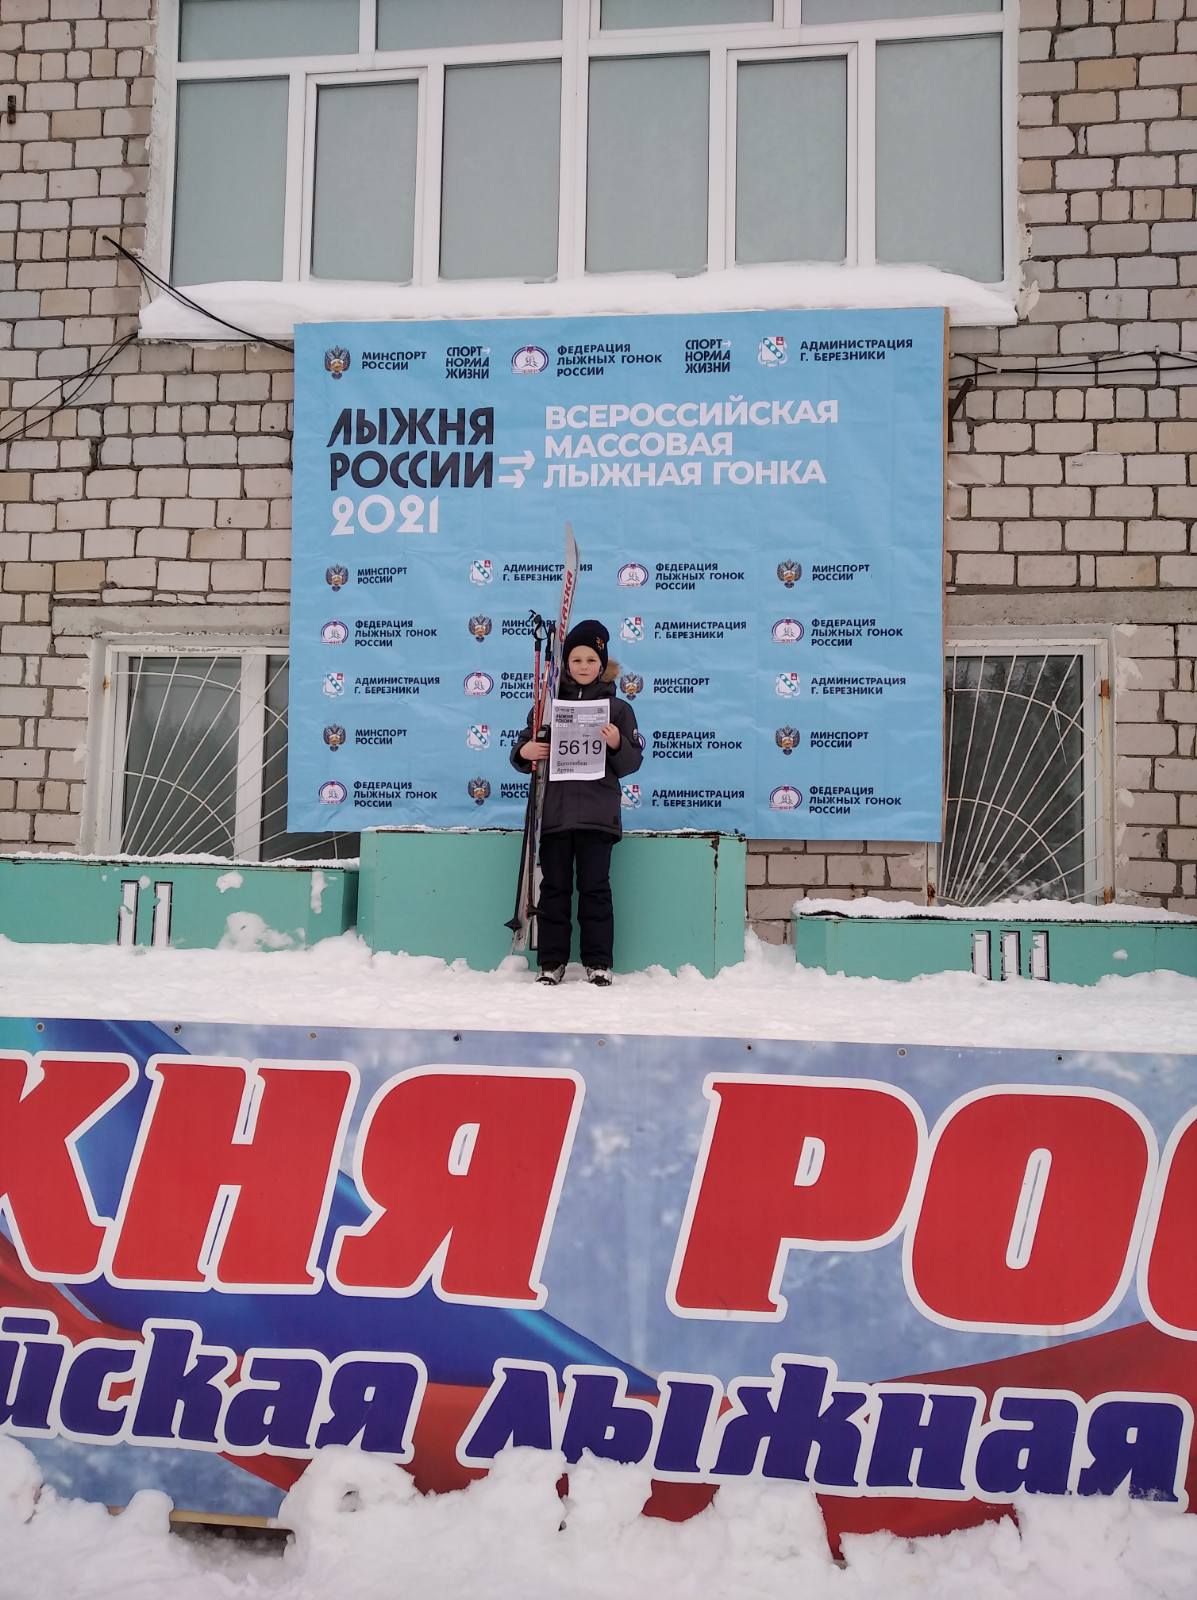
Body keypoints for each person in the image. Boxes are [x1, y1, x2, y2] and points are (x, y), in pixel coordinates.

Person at [511, 619, 643, 986]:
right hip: (554, 814)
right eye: (576, 660)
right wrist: (526, 751)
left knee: (595, 889)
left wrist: (616, 743)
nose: (583, 666)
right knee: (553, 889)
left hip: (597, 817)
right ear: (566, 664)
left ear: (602, 664)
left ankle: (598, 962)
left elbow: (632, 762)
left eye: (591, 660)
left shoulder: (617, 709)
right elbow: (522, 750)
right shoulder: (547, 706)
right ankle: (551, 962)